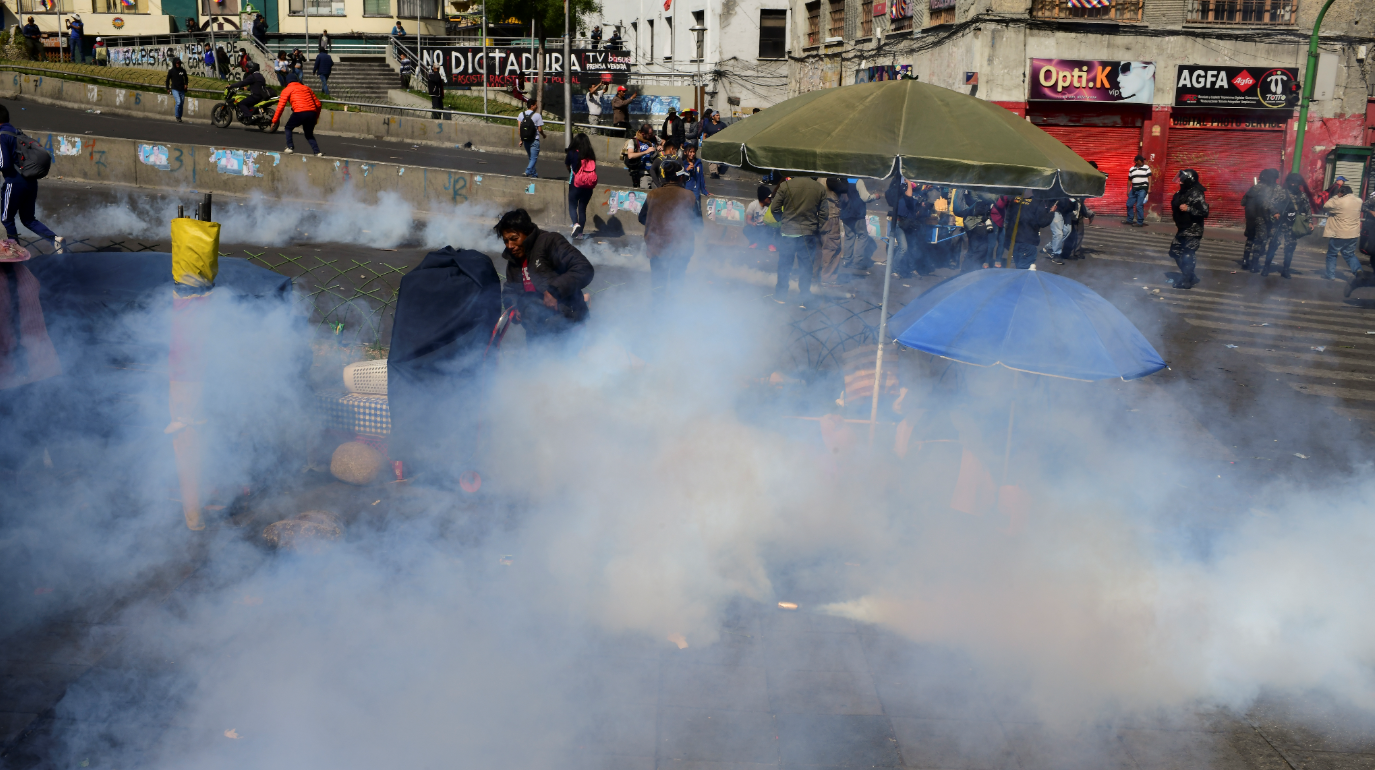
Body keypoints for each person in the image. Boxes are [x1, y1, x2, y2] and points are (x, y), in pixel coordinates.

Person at [493, 208, 594, 338]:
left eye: (514, 238)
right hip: (535, 330)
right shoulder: (513, 258)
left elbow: (583, 268)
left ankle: (585, 301)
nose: (510, 245)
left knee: (566, 358)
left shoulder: (549, 242)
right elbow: (510, 289)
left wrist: (554, 291)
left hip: (566, 325)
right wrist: (514, 307)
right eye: (506, 241)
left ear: (528, 232)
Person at [638, 160, 700, 302]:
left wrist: (657, 224)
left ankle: (656, 315)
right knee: (676, 285)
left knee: (658, 286)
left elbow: (642, 218)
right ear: (680, 177)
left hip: (656, 248)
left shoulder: (653, 194)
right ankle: (674, 316)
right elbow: (697, 223)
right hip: (681, 249)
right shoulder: (689, 196)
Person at [0, 105, 59, 247]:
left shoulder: (2, 136)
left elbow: (4, 164)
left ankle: (15, 251)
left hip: (14, 182)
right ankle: (55, 240)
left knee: (6, 219)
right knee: (28, 219)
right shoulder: (17, 133)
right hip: (30, 182)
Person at [769, 175, 829, 302]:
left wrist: (783, 221)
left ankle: (780, 296)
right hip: (808, 234)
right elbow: (824, 214)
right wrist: (815, 226)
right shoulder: (819, 188)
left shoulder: (786, 185)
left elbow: (774, 208)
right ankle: (804, 297)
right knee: (806, 267)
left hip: (788, 233)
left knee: (785, 266)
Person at [1261, 172, 1312, 278]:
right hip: (1280, 223)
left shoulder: (1302, 196)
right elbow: (1269, 203)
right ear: (1288, 182)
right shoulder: (1282, 193)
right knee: (1273, 245)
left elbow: (1308, 209)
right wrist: (1275, 212)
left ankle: (1286, 270)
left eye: (1296, 182)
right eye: (1291, 182)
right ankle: (1266, 267)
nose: (1293, 184)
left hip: (1292, 225)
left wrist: (1310, 222)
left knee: (1290, 247)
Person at [1168, 169, 1209, 290]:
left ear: (1189, 180)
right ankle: (1191, 276)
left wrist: (1189, 209)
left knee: (1187, 254)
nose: (1179, 181)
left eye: (1182, 179)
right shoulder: (1182, 192)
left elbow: (1204, 211)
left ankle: (1186, 281)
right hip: (1183, 228)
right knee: (1174, 251)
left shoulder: (1197, 193)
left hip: (1193, 228)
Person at [270, 78, 324, 156]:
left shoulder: (287, 90)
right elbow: (318, 104)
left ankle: (290, 147)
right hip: (312, 113)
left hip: (299, 112)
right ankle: (317, 152)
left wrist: (274, 121)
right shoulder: (306, 88)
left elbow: (280, 107)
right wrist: (316, 118)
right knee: (309, 134)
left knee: (288, 128)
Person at [1240, 168, 1279, 273]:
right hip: (1261, 218)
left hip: (1250, 218)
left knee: (1250, 239)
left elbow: (1243, 202)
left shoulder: (1253, 188)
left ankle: (1245, 260)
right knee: (1259, 241)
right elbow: (1266, 204)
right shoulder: (1268, 189)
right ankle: (1254, 264)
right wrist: (1275, 212)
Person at [1322, 184, 1362, 281]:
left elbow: (1326, 206)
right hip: (1353, 234)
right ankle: (1358, 271)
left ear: (1342, 193)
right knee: (1349, 254)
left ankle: (1330, 275)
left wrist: (1335, 197)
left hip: (1339, 233)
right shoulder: (1359, 201)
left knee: (1332, 254)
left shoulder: (1339, 202)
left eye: (1338, 192)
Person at [839, 178, 877, 271]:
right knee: (862, 236)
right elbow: (865, 197)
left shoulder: (842, 180)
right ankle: (858, 261)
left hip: (845, 213)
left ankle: (846, 260)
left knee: (849, 236)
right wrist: (875, 196)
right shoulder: (858, 181)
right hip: (857, 214)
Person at [953, 188, 996, 269]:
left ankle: (966, 272)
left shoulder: (965, 189)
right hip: (975, 224)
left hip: (971, 223)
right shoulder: (977, 188)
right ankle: (971, 271)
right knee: (979, 250)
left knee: (972, 249)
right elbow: (991, 198)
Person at [566, 133, 597, 240]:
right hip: (589, 186)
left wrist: (572, 171)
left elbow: (567, 165)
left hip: (576, 184)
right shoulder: (591, 154)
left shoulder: (572, 153)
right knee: (582, 209)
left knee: (572, 206)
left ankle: (575, 224)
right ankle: (580, 234)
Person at [817, 178, 846, 285]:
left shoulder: (819, 178)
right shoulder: (830, 179)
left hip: (821, 215)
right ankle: (827, 277)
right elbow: (844, 188)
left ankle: (818, 275)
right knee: (832, 247)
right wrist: (844, 177)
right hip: (831, 216)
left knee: (821, 247)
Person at [623, 123, 656, 189]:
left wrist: (660, 146)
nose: (651, 136)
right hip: (642, 172)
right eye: (649, 134)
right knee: (644, 190)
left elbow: (663, 142)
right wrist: (646, 152)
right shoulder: (634, 141)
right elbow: (630, 155)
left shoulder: (653, 138)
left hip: (654, 172)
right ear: (643, 134)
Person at [518, 100, 545, 178]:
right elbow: (539, 129)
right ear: (532, 106)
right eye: (536, 105)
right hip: (534, 140)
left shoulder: (521, 114)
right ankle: (527, 171)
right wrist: (543, 135)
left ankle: (534, 175)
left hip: (526, 140)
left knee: (531, 158)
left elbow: (520, 129)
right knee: (533, 159)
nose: (537, 106)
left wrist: (521, 140)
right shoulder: (537, 115)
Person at [1044, 195, 1074, 264]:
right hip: (1056, 209)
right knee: (1058, 233)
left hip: (1067, 210)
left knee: (1067, 231)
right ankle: (1056, 254)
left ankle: (1049, 247)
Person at [744, 184, 774, 251]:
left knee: (773, 228)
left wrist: (768, 222)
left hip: (767, 227)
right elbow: (748, 220)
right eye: (768, 197)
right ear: (763, 198)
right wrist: (752, 223)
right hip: (756, 227)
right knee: (746, 229)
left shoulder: (772, 205)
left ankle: (770, 244)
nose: (770, 198)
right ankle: (754, 242)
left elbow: (775, 218)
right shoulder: (753, 205)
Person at [1125, 154, 1150, 226]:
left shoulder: (1146, 167)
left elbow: (1149, 178)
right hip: (1134, 189)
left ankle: (1140, 222)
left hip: (1142, 189)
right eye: (1141, 160)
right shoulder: (1132, 169)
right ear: (1136, 161)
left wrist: (1149, 188)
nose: (1142, 161)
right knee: (1129, 204)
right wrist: (1128, 190)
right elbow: (1129, 180)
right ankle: (1129, 220)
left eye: (1142, 160)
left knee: (1139, 205)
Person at [703, 110, 727, 177]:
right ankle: (713, 172)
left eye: (719, 115)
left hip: (720, 145)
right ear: (713, 117)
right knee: (712, 158)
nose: (718, 117)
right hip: (711, 145)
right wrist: (704, 144)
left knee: (718, 159)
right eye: (717, 115)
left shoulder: (722, 125)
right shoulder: (708, 125)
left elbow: (727, 134)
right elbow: (705, 135)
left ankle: (717, 170)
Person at [166, 57, 189, 123]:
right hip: (175, 89)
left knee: (181, 103)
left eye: (179, 63)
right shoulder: (171, 71)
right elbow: (167, 80)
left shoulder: (182, 70)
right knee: (178, 102)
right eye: (177, 63)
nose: (178, 64)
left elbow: (186, 78)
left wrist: (186, 84)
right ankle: (177, 116)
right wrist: (168, 88)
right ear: (174, 63)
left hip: (181, 89)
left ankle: (180, 116)